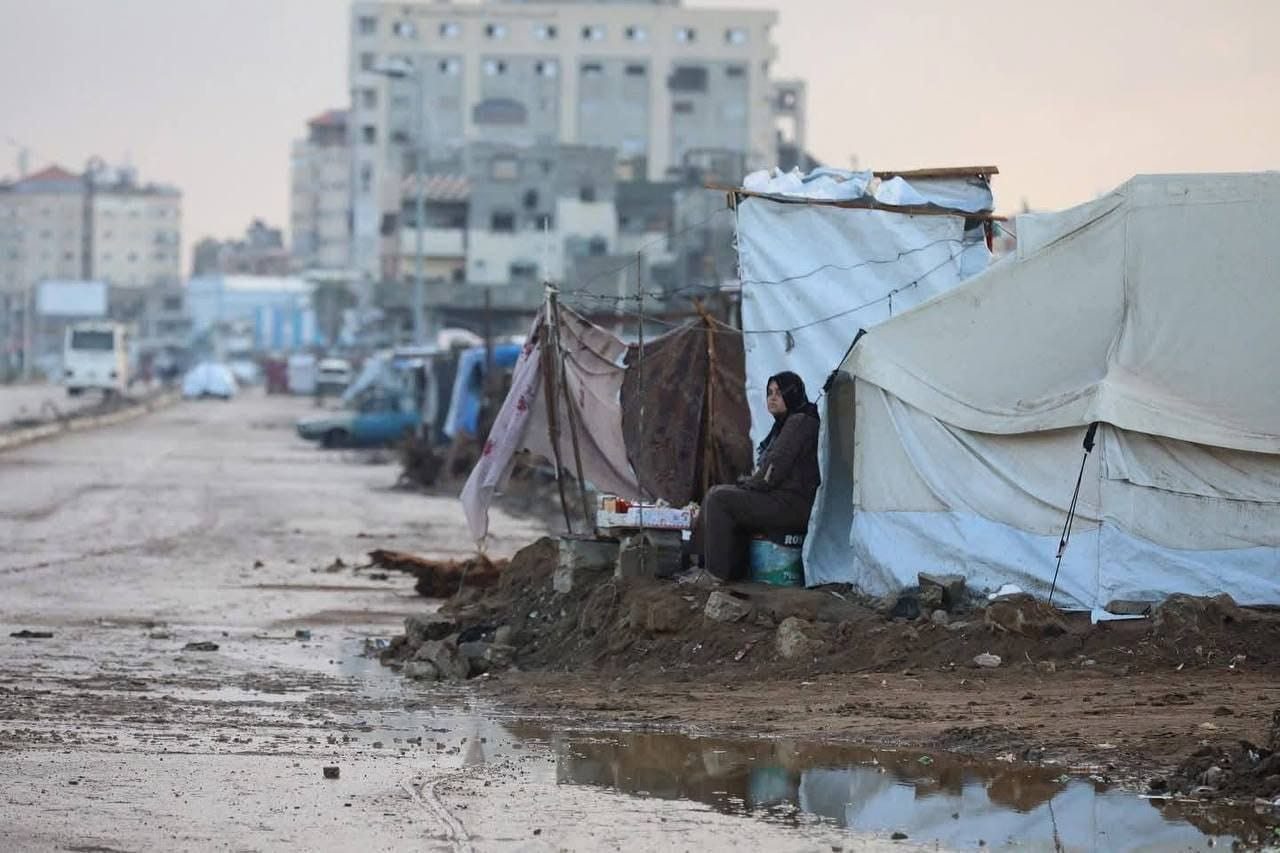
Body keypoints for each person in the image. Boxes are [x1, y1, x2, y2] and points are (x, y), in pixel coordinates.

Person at [683, 371, 821, 584]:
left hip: (792, 504)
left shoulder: (800, 422)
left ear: (792, 394)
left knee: (719, 498)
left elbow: (772, 471)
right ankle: (717, 569)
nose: (772, 398)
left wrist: (749, 485)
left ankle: (713, 573)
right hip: (785, 500)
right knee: (720, 494)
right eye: (769, 392)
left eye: (779, 392)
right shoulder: (788, 423)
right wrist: (748, 485)